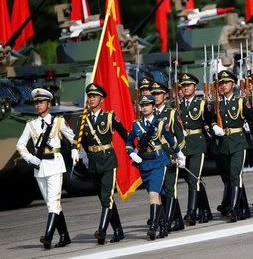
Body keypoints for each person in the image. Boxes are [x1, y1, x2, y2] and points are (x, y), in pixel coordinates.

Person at [16, 88, 77, 249]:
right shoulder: (31, 124)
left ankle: (48, 236)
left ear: (48, 103)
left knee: (54, 202)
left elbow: (73, 138)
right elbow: (20, 144)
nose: (38, 105)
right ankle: (64, 236)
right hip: (40, 167)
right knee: (52, 204)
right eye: (36, 102)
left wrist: (75, 150)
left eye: (41, 102)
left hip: (55, 165)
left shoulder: (57, 121)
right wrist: (29, 157)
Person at [73, 83, 127, 244]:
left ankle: (102, 231)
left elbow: (125, 134)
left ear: (101, 99)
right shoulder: (84, 119)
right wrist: (78, 152)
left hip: (108, 160)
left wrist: (133, 150)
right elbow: (79, 140)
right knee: (105, 198)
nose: (91, 99)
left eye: (94, 96)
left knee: (107, 196)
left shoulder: (109, 117)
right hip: (94, 162)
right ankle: (118, 230)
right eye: (89, 96)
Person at [126, 95, 186, 240]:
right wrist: (131, 154)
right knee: (155, 195)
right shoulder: (136, 125)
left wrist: (180, 154)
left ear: (153, 106)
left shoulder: (159, 123)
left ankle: (153, 226)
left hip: (159, 162)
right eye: (143, 105)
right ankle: (162, 224)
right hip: (144, 163)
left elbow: (171, 140)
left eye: (148, 105)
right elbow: (128, 142)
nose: (145, 107)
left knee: (153, 193)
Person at [212, 70, 253, 222]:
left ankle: (234, 209)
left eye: (226, 83)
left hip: (238, 142)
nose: (223, 86)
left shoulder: (241, 101)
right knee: (230, 177)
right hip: (224, 144)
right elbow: (210, 120)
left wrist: (252, 128)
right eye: (221, 83)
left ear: (233, 84)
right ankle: (244, 209)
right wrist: (213, 127)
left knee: (235, 174)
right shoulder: (217, 103)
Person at [150, 82, 186, 231]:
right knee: (161, 190)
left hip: (170, 156)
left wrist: (178, 154)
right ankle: (177, 220)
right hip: (156, 158)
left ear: (165, 95)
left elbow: (181, 137)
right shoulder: (150, 115)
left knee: (170, 189)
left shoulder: (171, 113)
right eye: (154, 94)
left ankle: (168, 221)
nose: (156, 96)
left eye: (159, 94)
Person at [179, 73, 213, 226]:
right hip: (185, 145)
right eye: (183, 86)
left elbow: (209, 120)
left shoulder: (202, 103)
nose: (186, 88)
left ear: (194, 87)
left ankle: (191, 212)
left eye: (188, 85)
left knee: (194, 179)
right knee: (192, 180)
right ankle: (205, 210)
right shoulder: (180, 105)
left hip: (198, 144)